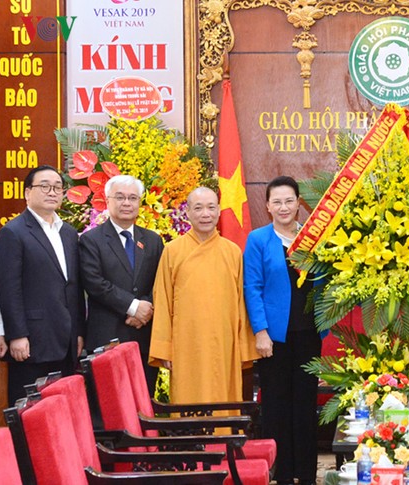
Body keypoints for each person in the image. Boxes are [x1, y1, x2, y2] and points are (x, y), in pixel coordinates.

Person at [244, 176, 322, 485]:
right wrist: (260, 331)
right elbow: (252, 287)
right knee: (276, 406)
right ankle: (281, 474)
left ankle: (306, 473)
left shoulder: (313, 237)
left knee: (305, 405)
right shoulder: (258, 239)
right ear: (267, 206)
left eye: (289, 200)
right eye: (276, 201)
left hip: (308, 335)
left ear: (299, 203)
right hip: (274, 339)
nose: (283, 207)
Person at [148, 187, 258, 404]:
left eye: (211, 207)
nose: (205, 214)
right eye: (198, 208)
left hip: (223, 344)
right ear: (187, 212)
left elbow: (242, 304)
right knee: (188, 403)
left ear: (219, 211)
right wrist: (164, 348)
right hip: (186, 344)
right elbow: (162, 301)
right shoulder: (172, 250)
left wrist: (243, 347)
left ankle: (224, 439)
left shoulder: (232, 251)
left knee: (223, 402)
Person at [0, 165, 85, 405]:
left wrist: (77, 331)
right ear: (27, 193)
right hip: (31, 342)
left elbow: (73, 287)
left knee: (61, 408)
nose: (52, 192)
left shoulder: (68, 232)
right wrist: (16, 335)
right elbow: (8, 288)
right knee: (30, 410)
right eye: (44, 186)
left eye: (57, 187)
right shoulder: (13, 232)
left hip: (65, 339)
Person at [79, 175, 164, 395]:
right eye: (120, 197)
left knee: (143, 404)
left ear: (139, 203)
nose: (127, 203)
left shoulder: (153, 240)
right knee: (109, 410)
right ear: (107, 201)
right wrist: (134, 307)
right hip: (106, 339)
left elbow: (162, 283)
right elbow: (94, 283)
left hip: (144, 338)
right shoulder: (91, 240)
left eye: (132, 198)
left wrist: (146, 307)